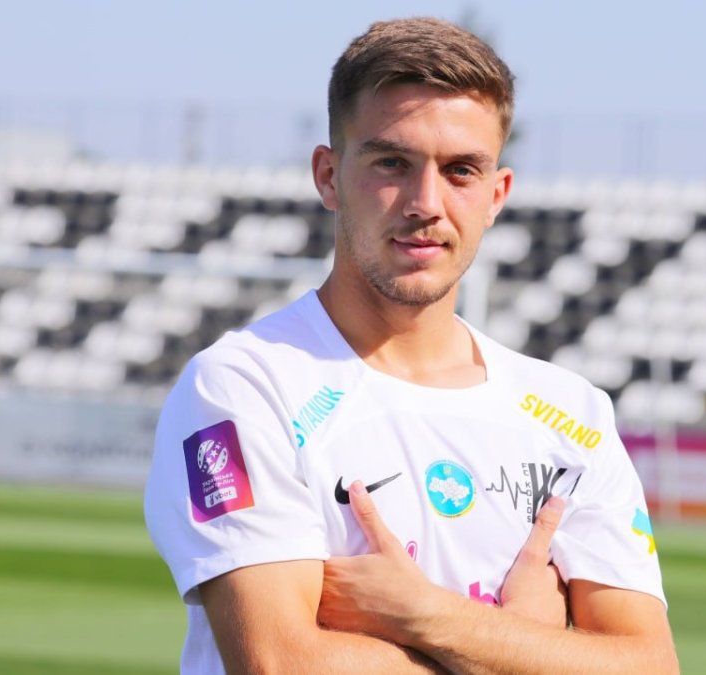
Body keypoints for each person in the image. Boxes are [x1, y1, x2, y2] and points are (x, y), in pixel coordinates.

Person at [144, 16, 678, 674]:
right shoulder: (243, 387)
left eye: (460, 170)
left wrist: (423, 612)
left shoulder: (574, 414)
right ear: (328, 175)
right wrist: (520, 648)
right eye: (392, 163)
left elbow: (650, 665)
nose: (426, 203)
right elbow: (281, 662)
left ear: (496, 196)